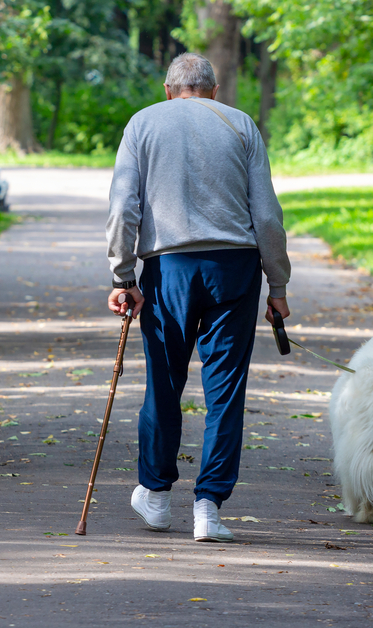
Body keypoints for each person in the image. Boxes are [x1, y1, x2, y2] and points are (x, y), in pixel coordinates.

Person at [106, 52, 291, 542]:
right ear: (213, 90)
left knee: (164, 384)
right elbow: (267, 216)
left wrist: (123, 277)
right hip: (235, 269)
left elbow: (124, 206)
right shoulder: (241, 125)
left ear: (168, 90)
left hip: (169, 270)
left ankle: (157, 496)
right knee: (225, 392)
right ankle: (209, 509)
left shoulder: (143, 124)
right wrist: (278, 286)